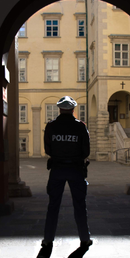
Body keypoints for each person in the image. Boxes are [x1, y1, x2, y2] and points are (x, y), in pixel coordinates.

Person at [42, 96, 93, 249]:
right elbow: (86, 151)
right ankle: (84, 238)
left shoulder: (51, 126)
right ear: (73, 109)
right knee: (79, 204)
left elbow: (48, 149)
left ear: (59, 109)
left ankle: (48, 240)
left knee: (53, 205)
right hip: (76, 169)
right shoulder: (80, 127)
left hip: (57, 169)